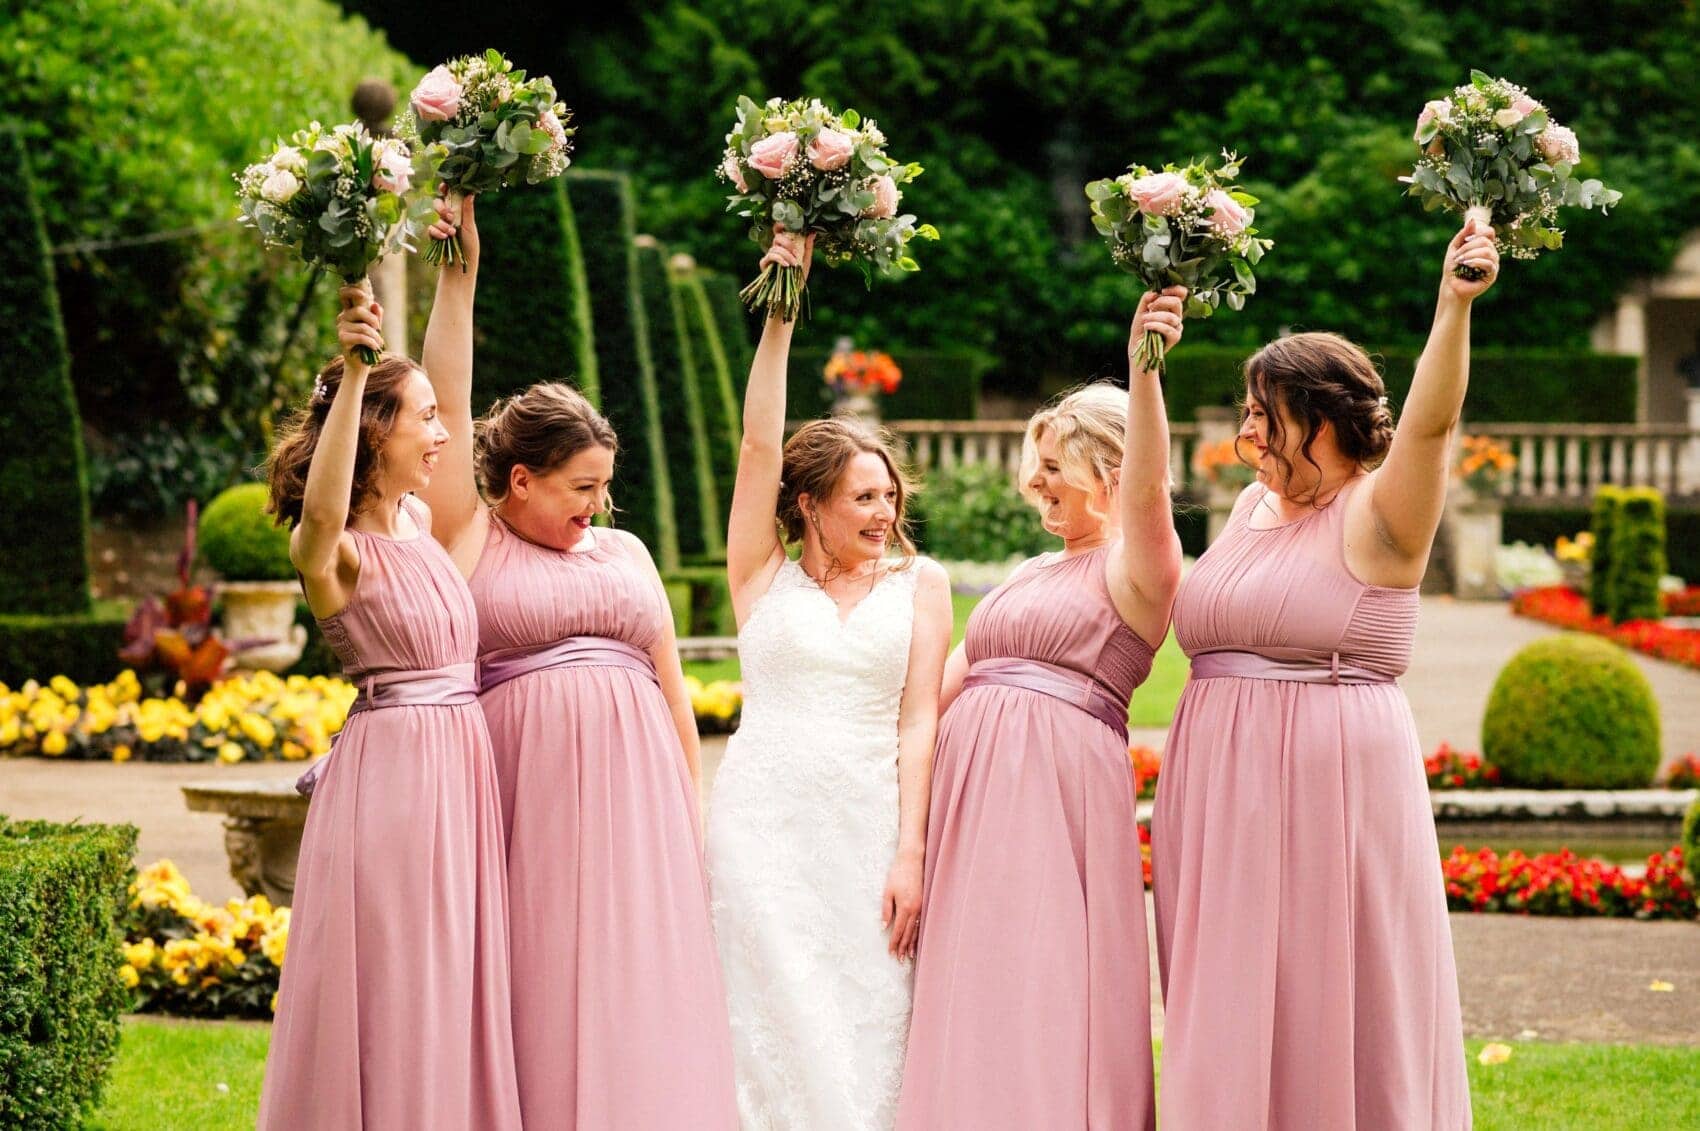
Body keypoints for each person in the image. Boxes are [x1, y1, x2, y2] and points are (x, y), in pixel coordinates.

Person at [1152, 219, 1497, 1129]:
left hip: (1327, 790)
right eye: (1249, 409)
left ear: (1325, 415)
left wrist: (1452, 305)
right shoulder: (1246, 507)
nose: (1249, 428)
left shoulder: (1381, 516)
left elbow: (1432, 422)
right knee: (1224, 996)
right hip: (1219, 789)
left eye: (1269, 410)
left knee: (1328, 989)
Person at [413, 194, 737, 1129]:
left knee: (640, 972)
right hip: (524, 800)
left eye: (606, 484)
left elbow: (675, 699)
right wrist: (456, 279)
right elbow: (448, 398)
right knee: (542, 971)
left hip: (642, 807)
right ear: (520, 480)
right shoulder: (468, 538)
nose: (599, 503)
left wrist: (687, 807)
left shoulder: (628, 557)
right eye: (581, 487)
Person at [896, 289, 1188, 1131]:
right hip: (968, 790)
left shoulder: (1140, 572)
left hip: (1052, 795)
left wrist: (1145, 369)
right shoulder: (1027, 572)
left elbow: (1149, 496)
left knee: (1040, 965)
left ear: (1109, 468)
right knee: (974, 966)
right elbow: (939, 689)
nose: (1034, 482)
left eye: (1054, 464)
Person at [705, 229, 953, 1130]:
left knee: (865, 1012)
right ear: (809, 502)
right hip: (760, 822)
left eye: (889, 496)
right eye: (863, 497)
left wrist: (912, 850)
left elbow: (919, 720)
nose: (883, 512)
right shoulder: (758, 575)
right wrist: (782, 310)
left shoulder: (921, 587)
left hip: (866, 824)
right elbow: (756, 444)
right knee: (764, 1016)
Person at [257, 287, 520, 1129]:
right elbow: (328, 505)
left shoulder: (418, 520)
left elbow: (452, 373)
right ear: (378, 431)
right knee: (402, 961)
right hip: (396, 776)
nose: (445, 434)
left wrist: (460, 272)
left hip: (460, 763)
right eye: (426, 420)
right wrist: (361, 364)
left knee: (451, 959)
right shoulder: (330, 551)